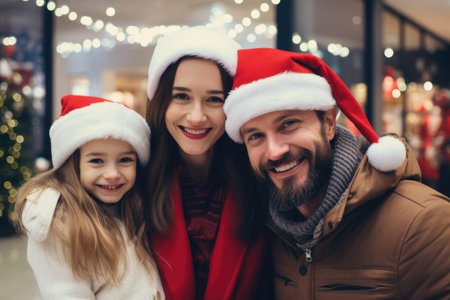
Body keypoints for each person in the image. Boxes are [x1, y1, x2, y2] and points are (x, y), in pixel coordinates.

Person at [223, 48, 450, 299]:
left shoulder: (423, 224)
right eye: (256, 136)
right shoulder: (268, 232)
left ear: (329, 123)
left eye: (289, 124)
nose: (275, 152)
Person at [145, 26, 268, 300]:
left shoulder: (260, 177)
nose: (197, 116)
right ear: (161, 101)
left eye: (214, 99)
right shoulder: (134, 178)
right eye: (181, 96)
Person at [13, 95, 165, 299]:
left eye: (125, 160)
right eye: (96, 161)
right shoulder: (58, 227)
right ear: (73, 164)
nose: (112, 173)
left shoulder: (132, 206)